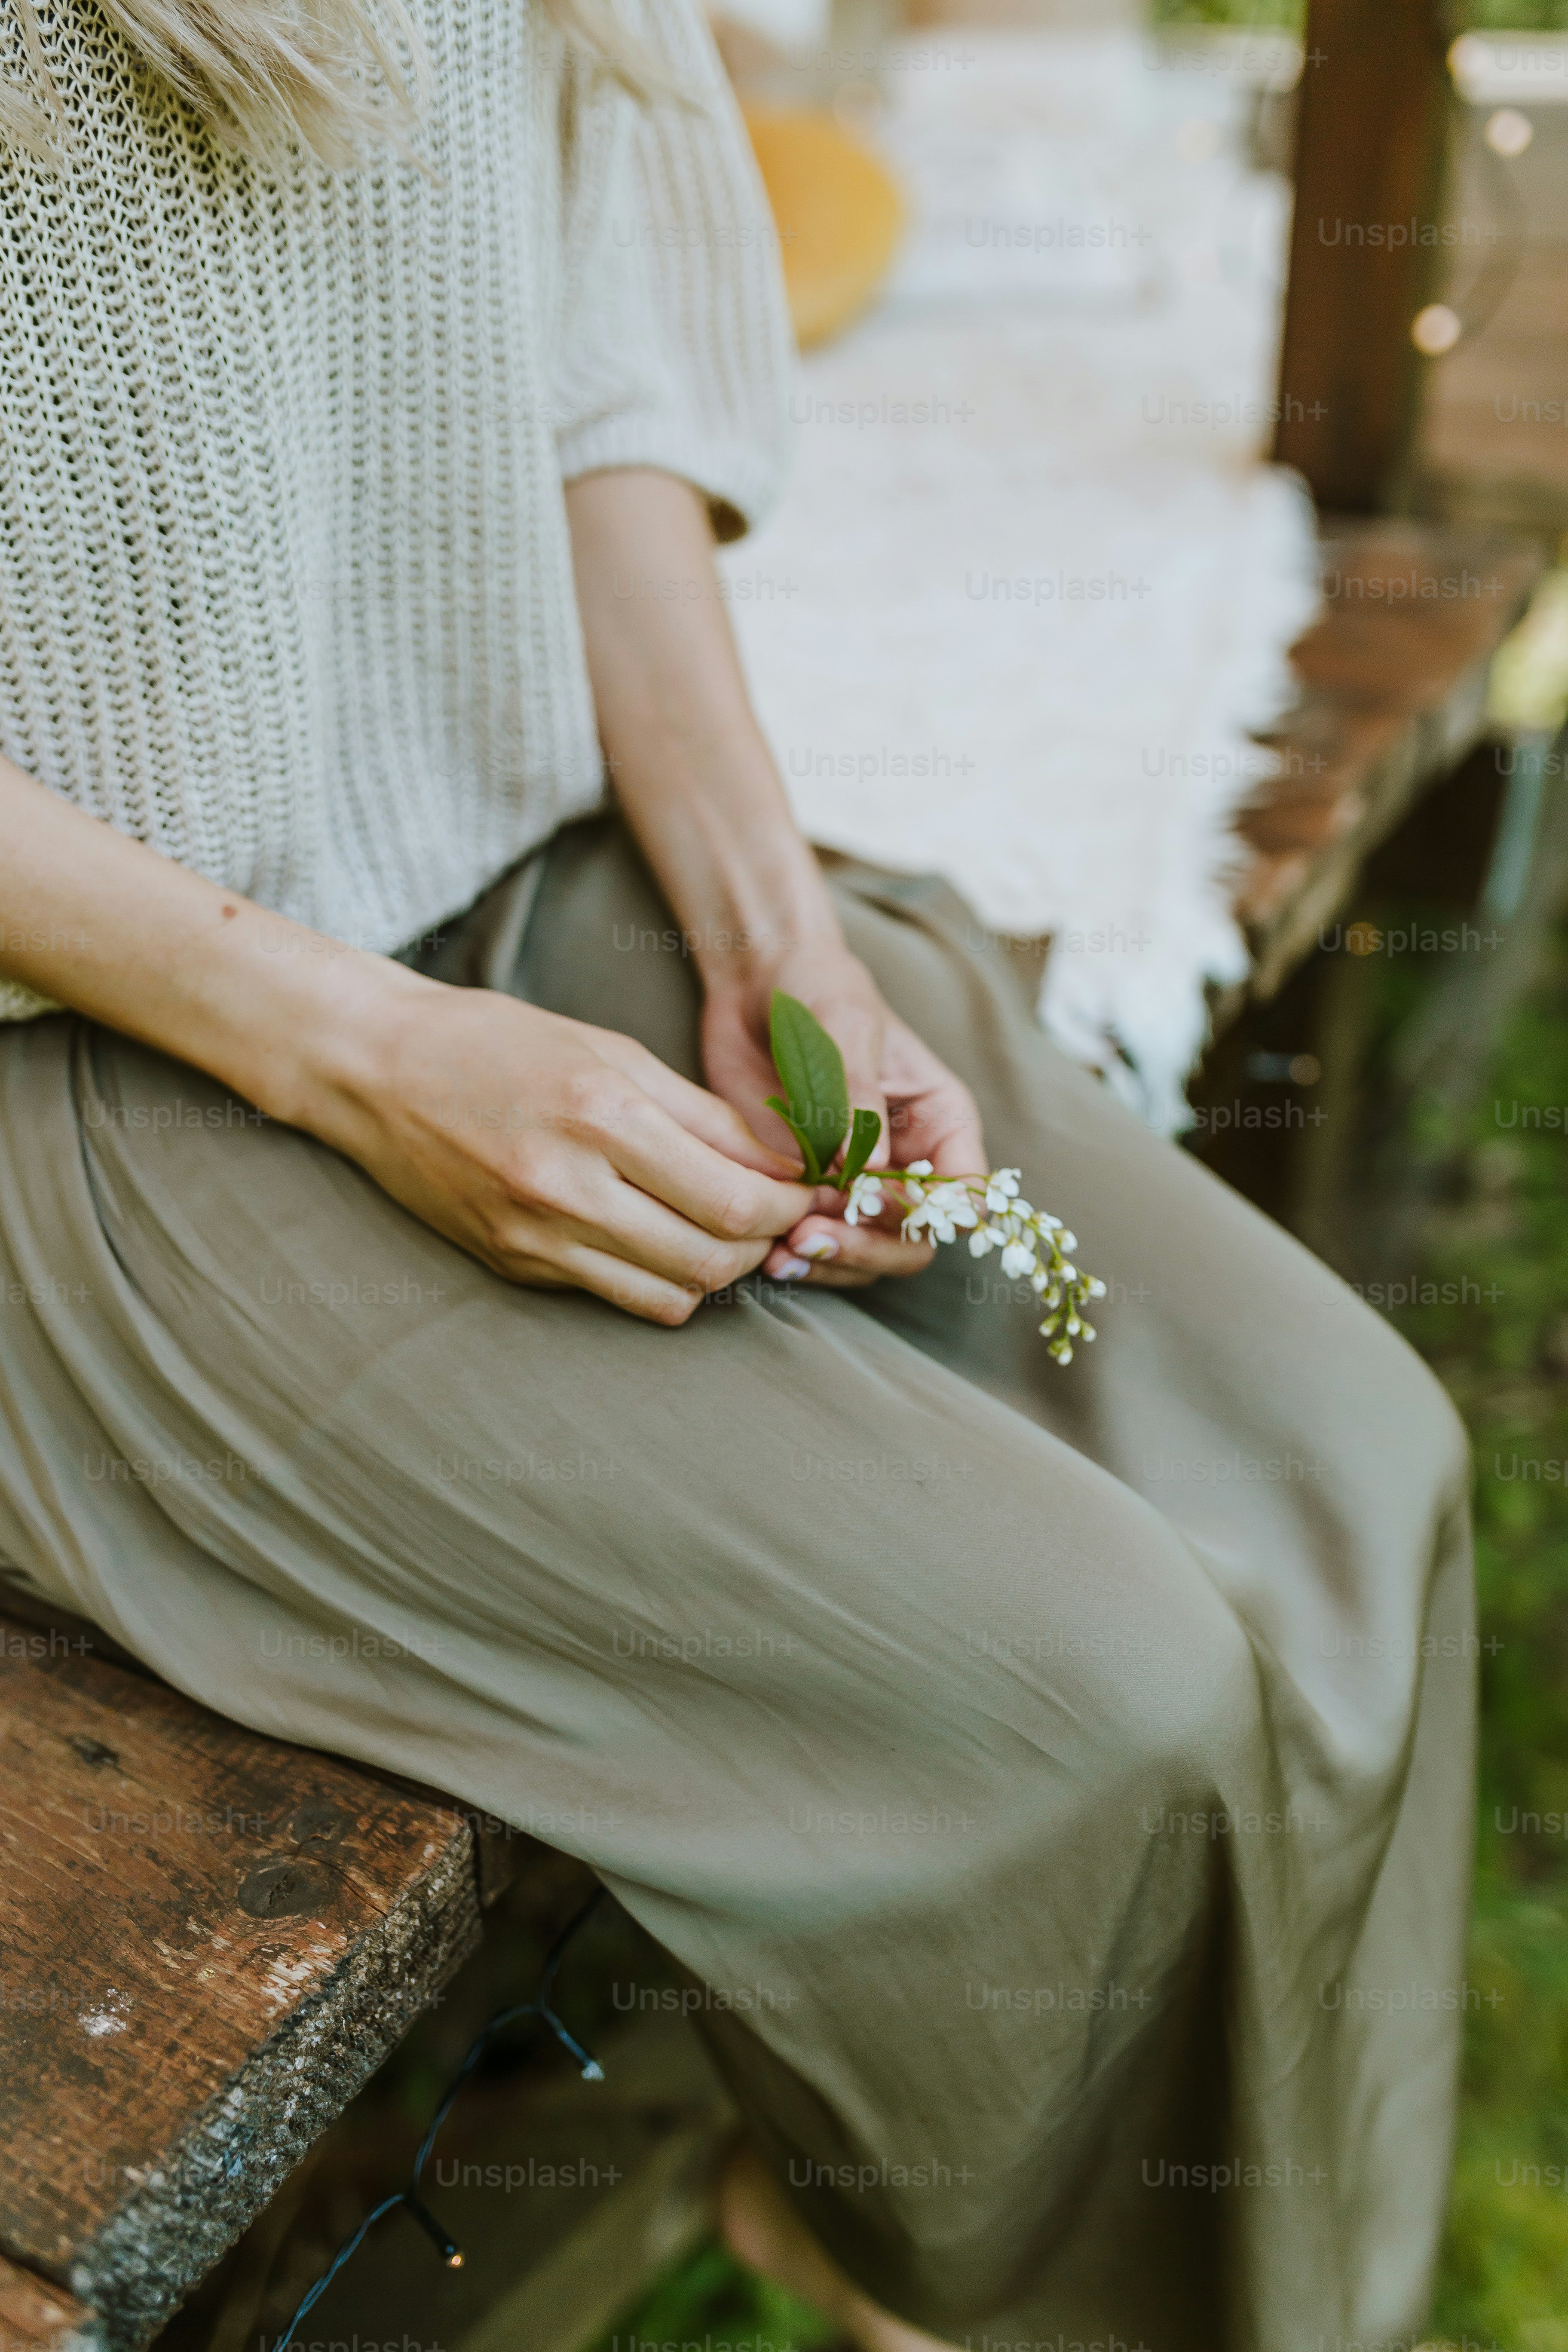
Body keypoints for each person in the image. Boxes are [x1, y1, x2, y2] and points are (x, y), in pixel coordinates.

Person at [0, 0, 1475, 2344]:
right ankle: (969, 2263)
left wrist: (780, 936)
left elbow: (601, 377)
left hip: (487, 842)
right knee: (1099, 1694)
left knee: (1353, 1474)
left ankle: (1197, 2292)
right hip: (72, 1041)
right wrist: (367, 1057)